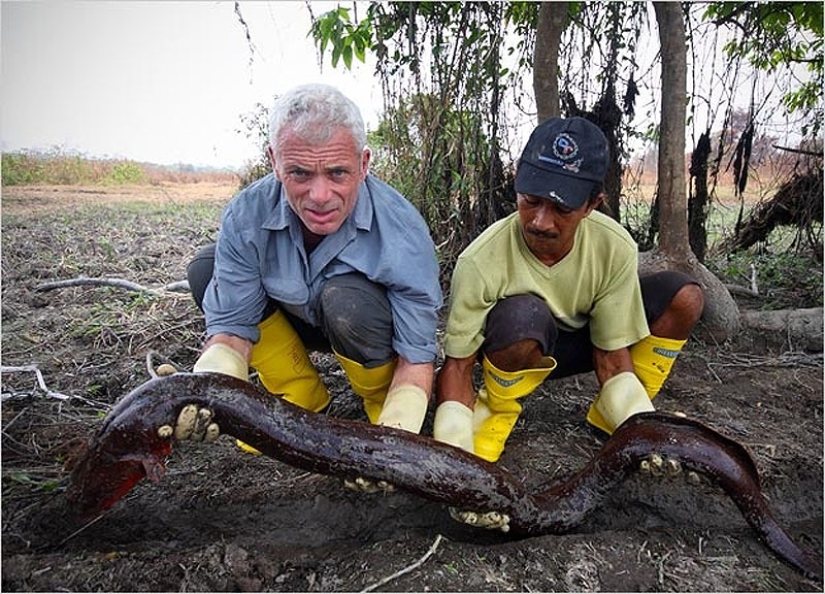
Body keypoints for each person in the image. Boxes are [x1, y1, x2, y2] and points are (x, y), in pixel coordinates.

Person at [181, 83, 443, 459]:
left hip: (361, 327)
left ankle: (383, 407)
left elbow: (417, 358)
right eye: (300, 173)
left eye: (338, 173)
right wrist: (208, 389)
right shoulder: (247, 213)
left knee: (345, 299)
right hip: (292, 320)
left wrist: (395, 442)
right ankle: (298, 389)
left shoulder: (402, 231)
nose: (320, 196)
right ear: (274, 161)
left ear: (364, 163)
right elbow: (231, 330)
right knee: (206, 270)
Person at [433, 116, 705, 466]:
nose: (540, 221)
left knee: (685, 296)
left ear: (592, 204)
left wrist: (645, 429)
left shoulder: (614, 247)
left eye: (562, 208)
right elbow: (458, 367)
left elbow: (612, 357)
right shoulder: (480, 260)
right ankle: (493, 418)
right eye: (531, 200)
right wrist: (455, 447)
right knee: (523, 315)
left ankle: (622, 417)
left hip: (582, 347)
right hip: (517, 348)